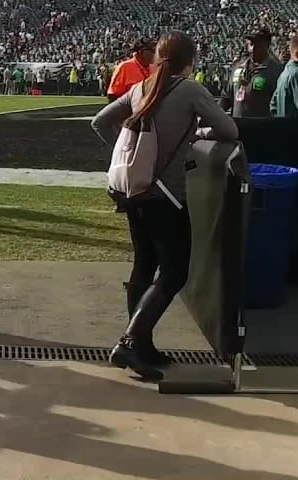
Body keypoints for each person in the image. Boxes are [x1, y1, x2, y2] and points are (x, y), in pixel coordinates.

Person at [90, 31, 239, 380]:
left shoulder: (141, 87)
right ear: (190, 60)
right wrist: (196, 136)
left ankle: (142, 343)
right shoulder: (189, 90)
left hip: (135, 190)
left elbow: (99, 122)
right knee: (174, 272)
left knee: (144, 266)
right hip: (168, 195)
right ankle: (130, 342)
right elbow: (229, 130)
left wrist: (132, 155)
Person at [226, 27, 283, 118]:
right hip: (237, 127)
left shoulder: (276, 71)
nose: (253, 48)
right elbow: (227, 97)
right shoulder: (238, 67)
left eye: (258, 44)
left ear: (267, 45)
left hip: (261, 128)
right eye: (250, 44)